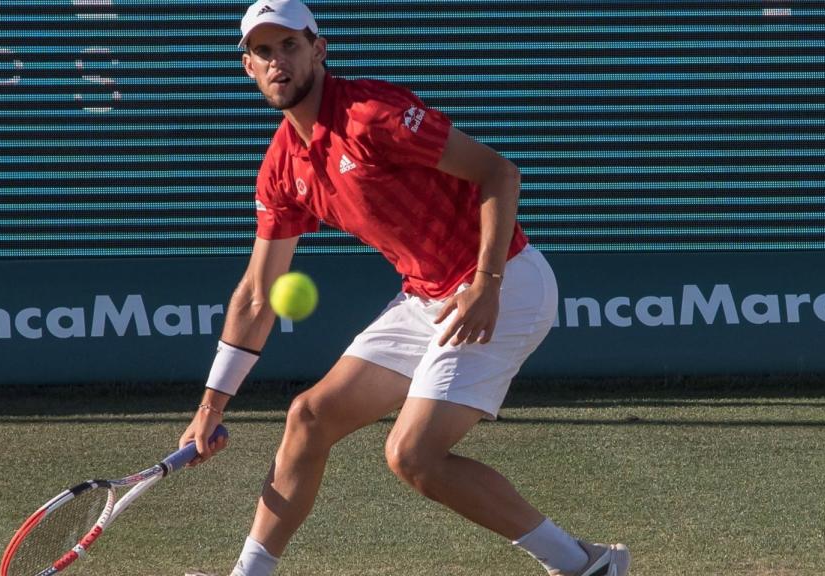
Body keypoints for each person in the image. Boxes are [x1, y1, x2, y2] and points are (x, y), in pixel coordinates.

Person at [179, 1, 630, 575]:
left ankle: (582, 565)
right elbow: (256, 293)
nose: (277, 62)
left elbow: (499, 172)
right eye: (263, 52)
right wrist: (210, 407)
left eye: (289, 46)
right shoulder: (282, 167)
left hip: (506, 282)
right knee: (309, 417)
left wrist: (486, 283)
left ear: (318, 50)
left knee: (414, 454)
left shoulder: (372, 115)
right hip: (426, 297)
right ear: (248, 67)